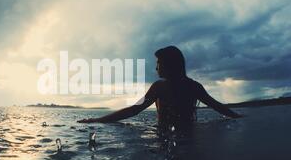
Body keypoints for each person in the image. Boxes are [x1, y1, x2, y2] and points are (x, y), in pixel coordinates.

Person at [78, 46, 242, 132]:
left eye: (158, 63)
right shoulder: (193, 86)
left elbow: (134, 110)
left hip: (163, 135)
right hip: (190, 136)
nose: (156, 68)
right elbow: (218, 107)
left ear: (170, 65)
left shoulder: (159, 87)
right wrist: (239, 116)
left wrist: (97, 120)